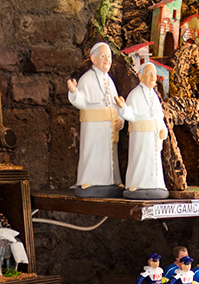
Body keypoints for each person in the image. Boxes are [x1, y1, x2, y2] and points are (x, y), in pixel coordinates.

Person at [65, 42, 123, 197]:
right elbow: (82, 102)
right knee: (92, 154)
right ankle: (87, 181)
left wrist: (120, 120)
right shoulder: (87, 79)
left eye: (109, 56)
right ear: (93, 58)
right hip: (93, 127)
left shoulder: (110, 81)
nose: (107, 60)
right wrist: (73, 92)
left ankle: (112, 181)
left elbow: (116, 105)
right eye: (103, 56)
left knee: (110, 156)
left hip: (109, 128)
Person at [117, 62, 168, 200]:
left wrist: (164, 131)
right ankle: (136, 185)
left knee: (154, 163)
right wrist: (122, 108)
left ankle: (156, 184)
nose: (153, 77)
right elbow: (130, 115)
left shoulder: (155, 96)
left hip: (154, 137)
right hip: (141, 137)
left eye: (154, 74)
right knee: (140, 160)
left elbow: (160, 118)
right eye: (149, 73)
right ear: (141, 76)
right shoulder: (135, 94)